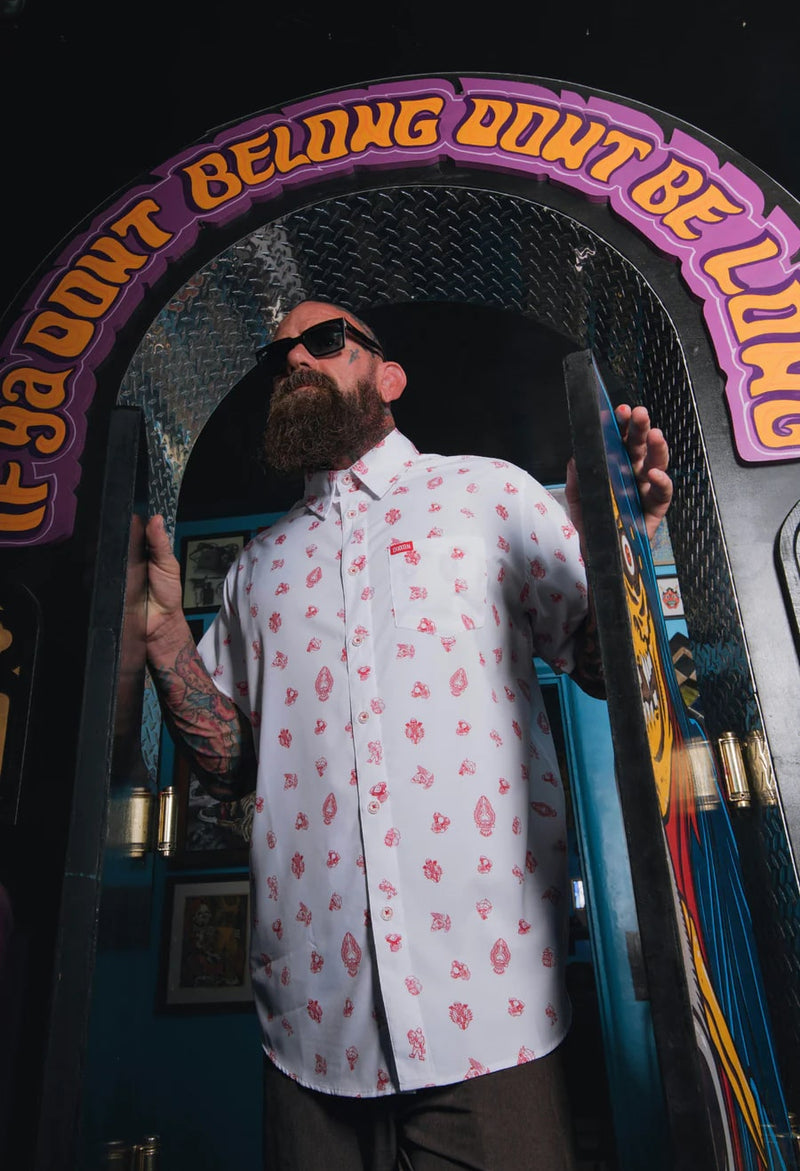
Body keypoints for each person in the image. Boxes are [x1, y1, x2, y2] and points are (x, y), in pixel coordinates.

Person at [146, 300, 672, 1169]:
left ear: (388, 377)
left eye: (324, 341)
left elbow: (602, 670)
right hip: (310, 1034)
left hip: (494, 1014)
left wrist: (621, 560)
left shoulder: (490, 493)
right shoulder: (254, 571)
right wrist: (166, 635)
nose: (296, 362)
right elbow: (231, 765)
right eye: (278, 357)